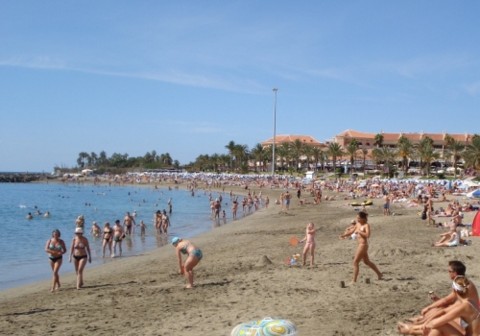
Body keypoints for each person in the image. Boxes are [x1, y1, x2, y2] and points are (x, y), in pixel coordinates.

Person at [397, 260, 479, 335]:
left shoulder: (465, 306)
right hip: (467, 332)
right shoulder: (468, 302)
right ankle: (411, 329)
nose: (448, 273)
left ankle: (409, 330)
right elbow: (444, 310)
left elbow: (438, 320)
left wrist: (413, 327)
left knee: (439, 325)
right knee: (438, 324)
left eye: (449, 271)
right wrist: (423, 322)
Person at [351, 211, 382, 283]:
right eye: (357, 218)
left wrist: (359, 231)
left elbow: (368, 235)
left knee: (355, 262)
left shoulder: (366, 225)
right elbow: (352, 231)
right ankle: (379, 274)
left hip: (363, 245)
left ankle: (354, 280)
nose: (357, 219)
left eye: (358, 218)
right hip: (359, 245)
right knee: (366, 261)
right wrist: (344, 235)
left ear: (363, 218)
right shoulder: (358, 224)